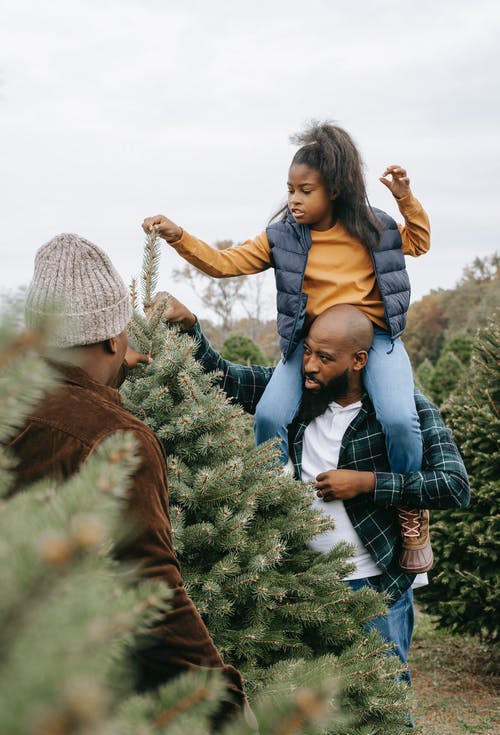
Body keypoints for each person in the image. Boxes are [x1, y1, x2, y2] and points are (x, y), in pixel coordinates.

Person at [141, 121, 432, 574]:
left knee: (399, 418)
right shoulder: (282, 238)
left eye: (305, 190)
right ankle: (282, 506)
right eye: (290, 189)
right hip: (310, 341)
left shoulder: (375, 227)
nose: (294, 199)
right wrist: (179, 237)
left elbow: (419, 242)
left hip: (373, 338)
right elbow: (224, 264)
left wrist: (404, 199)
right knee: (270, 415)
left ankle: (411, 509)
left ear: (333, 189)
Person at [159, 295, 470, 694]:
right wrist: (190, 328)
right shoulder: (299, 397)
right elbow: (225, 377)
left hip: (375, 586)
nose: (309, 365)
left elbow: (454, 484)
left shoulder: (404, 410)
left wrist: (366, 483)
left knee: (383, 699)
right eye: (307, 352)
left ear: (358, 360)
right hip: (303, 582)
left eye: (324, 357)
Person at [7, 233, 245, 725]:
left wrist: (105, 379)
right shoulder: (116, 439)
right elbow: (149, 591)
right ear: (114, 338)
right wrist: (220, 703)